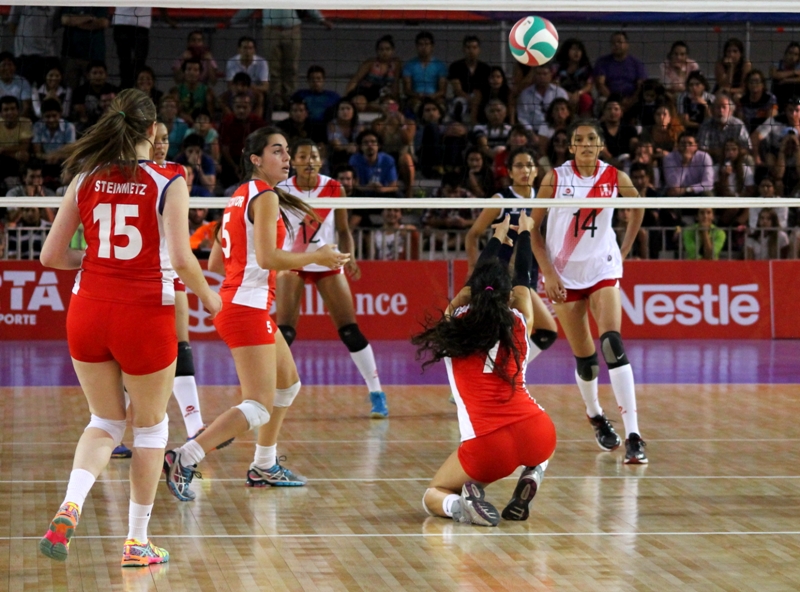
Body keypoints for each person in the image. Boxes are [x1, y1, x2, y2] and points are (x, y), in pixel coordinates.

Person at [37, 88, 221, 566]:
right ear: (154, 131)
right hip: (144, 312)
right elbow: (182, 259)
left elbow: (51, 257)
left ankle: (70, 505)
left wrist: (96, 260)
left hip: (89, 309)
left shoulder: (86, 177)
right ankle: (137, 542)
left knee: (105, 421)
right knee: (151, 426)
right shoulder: (171, 178)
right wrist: (211, 299)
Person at [163, 127, 349, 500]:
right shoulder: (263, 197)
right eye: (277, 151)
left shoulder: (238, 196)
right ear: (255, 159)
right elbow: (267, 258)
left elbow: (216, 259)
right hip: (245, 307)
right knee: (258, 405)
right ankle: (185, 457)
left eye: (286, 151)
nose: (285, 158)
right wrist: (317, 256)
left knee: (289, 385)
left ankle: (264, 465)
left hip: (242, 302)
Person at [414, 212, 556, 526]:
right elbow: (523, 282)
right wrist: (522, 235)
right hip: (537, 430)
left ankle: (462, 505)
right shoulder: (520, 323)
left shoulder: (453, 322)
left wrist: (498, 237)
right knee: (541, 443)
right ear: (508, 296)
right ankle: (534, 473)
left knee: (433, 493)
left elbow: (477, 281)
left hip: (488, 445)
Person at [531, 118, 648, 464]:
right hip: (564, 275)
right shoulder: (555, 178)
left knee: (612, 344)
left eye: (591, 138)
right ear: (570, 147)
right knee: (586, 359)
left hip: (602, 269)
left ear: (600, 145)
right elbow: (533, 229)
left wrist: (623, 251)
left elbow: (636, 209)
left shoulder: (615, 177)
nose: (585, 144)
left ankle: (634, 435)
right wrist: (548, 272)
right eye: (578, 139)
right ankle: (596, 414)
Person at [276, 139, 389, 418]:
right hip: (295, 261)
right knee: (284, 333)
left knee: (349, 330)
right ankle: (264, 391)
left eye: (313, 155)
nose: (309, 160)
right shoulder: (281, 189)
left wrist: (349, 257)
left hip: (327, 260)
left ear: (320, 160)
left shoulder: (333, 187)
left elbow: (343, 229)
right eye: (303, 155)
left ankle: (377, 393)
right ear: (295, 161)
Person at [465, 147, 559, 364]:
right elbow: (473, 235)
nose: (525, 170)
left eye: (529, 165)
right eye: (519, 165)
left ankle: (502, 373)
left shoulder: (542, 200)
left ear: (536, 171)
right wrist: (473, 269)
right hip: (502, 276)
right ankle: (503, 374)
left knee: (526, 333)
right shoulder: (502, 199)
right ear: (509, 171)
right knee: (540, 330)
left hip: (529, 274)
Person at [230, 10, 333, 110]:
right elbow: (251, 6)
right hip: (271, 30)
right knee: (273, 69)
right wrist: (232, 21)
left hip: (292, 30)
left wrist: (321, 19)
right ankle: (276, 102)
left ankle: (290, 100)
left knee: (292, 68)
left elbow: (306, 4)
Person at [219, 92, 267, 187]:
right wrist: (235, 166)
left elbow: (262, 146)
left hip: (252, 159)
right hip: (232, 160)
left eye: (244, 107)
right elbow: (224, 148)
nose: (241, 110)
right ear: (233, 107)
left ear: (251, 107)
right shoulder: (227, 122)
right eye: (238, 107)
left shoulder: (258, 122)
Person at [593, 31, 647, 110]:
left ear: (627, 44)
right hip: (609, 98)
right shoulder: (602, 62)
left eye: (619, 42)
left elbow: (641, 86)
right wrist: (616, 100)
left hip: (632, 99)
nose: (616, 45)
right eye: (613, 43)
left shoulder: (637, 63)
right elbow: (600, 85)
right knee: (602, 102)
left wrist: (630, 101)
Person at [6, 6, 58, 86]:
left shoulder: (57, 4)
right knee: (22, 90)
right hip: (24, 55)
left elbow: (55, 25)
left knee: (45, 92)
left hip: (47, 55)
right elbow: (12, 23)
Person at [59, 7, 110, 89]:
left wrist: (75, 23)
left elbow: (103, 23)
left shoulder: (99, 3)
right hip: (70, 54)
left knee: (94, 90)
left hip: (94, 55)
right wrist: (89, 18)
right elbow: (65, 20)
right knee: (69, 91)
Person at [345, 35, 402, 108]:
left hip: (382, 94)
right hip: (365, 92)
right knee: (360, 102)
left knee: (392, 106)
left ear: (393, 51)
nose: (384, 52)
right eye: (381, 49)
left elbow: (395, 83)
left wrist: (395, 98)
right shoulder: (370, 63)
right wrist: (346, 98)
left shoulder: (396, 64)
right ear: (377, 51)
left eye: (387, 49)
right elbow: (355, 79)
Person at [696, 91, 752, 163]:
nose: (721, 111)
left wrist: (733, 152)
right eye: (717, 107)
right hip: (712, 159)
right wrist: (718, 152)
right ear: (712, 111)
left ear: (731, 111)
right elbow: (701, 148)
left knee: (748, 159)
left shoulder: (738, 124)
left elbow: (747, 147)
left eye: (724, 107)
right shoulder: (706, 124)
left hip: (735, 161)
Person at [448, 35, 491, 123]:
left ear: (479, 50)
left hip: (480, 99)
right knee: (459, 104)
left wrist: (475, 101)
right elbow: (457, 90)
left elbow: (485, 89)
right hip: (462, 98)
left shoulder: (486, 68)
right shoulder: (455, 66)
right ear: (463, 49)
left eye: (474, 48)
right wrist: (470, 100)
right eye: (468, 47)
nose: (471, 51)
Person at [402, 31, 448, 113]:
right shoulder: (409, 65)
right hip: (416, 97)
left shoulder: (440, 65)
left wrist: (433, 96)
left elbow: (443, 90)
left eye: (427, 44)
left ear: (432, 46)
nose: (424, 47)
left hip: (435, 97)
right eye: (421, 44)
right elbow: (407, 90)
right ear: (416, 46)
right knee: (415, 104)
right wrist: (418, 95)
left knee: (441, 104)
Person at [516, 66, 568, 132]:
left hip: (556, 131)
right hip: (533, 132)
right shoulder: (525, 94)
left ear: (550, 75)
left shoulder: (560, 93)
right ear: (534, 76)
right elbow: (522, 118)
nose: (541, 77)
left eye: (545, 74)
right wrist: (532, 135)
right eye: (539, 74)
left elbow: (566, 114)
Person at [663, 131, 714, 197]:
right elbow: (673, 185)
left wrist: (687, 189)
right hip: (677, 193)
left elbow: (708, 183)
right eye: (683, 144)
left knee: (707, 194)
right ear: (677, 145)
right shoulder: (669, 158)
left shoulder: (704, 157)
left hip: (696, 191)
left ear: (696, 146)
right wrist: (684, 164)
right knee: (671, 194)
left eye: (690, 144)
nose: (686, 147)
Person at [551, 38, 594, 116]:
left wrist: (578, 93)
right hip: (562, 94)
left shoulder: (586, 68)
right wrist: (566, 94)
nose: (577, 53)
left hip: (579, 94)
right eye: (574, 49)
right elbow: (554, 83)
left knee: (586, 99)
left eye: (579, 50)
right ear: (566, 51)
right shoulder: (557, 67)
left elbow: (589, 85)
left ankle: (585, 123)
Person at [349, 130, 399, 195]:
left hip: (383, 194)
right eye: (366, 142)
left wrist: (382, 189)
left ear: (379, 146)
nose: (370, 145)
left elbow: (394, 186)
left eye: (373, 142)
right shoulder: (355, 160)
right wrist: (368, 188)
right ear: (360, 146)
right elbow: (354, 185)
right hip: (362, 194)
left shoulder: (388, 160)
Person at [72, 61, 118, 130]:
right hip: (86, 126)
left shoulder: (114, 90)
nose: (98, 76)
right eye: (94, 73)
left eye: (101, 73)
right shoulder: (79, 91)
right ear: (88, 75)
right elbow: (80, 112)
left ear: (106, 75)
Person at [170, 59, 215, 126]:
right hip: (181, 124)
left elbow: (210, 113)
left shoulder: (208, 91)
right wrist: (190, 120)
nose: (192, 73)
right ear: (184, 72)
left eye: (195, 70)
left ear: (200, 73)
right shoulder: (175, 91)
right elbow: (176, 112)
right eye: (189, 69)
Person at [0, 52, 32, 117]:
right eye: (3, 65)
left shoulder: (23, 82)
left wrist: (16, 122)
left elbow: (26, 107)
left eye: (10, 65)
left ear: (15, 67)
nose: (7, 68)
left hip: (18, 120)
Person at [770, 42, 800, 110]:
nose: (792, 57)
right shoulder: (776, 65)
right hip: (779, 100)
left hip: (795, 100)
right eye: (790, 53)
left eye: (796, 54)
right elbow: (775, 75)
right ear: (785, 54)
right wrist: (794, 72)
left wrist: (786, 80)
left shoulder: (798, 66)